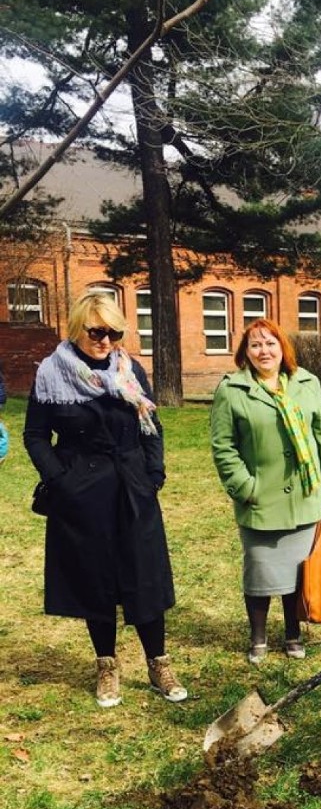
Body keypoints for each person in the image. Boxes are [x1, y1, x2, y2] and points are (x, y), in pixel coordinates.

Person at [23, 292, 186, 708]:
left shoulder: (131, 371)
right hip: (82, 489)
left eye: (114, 332)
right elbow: (36, 436)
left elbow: (152, 425)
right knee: (94, 578)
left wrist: (154, 474)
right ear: (78, 327)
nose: (105, 340)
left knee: (144, 573)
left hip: (133, 486)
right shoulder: (51, 374)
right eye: (97, 331)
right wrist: (60, 480)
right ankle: (107, 665)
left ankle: (158, 662)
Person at [210, 319, 321, 663]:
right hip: (261, 502)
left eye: (270, 344)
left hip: (304, 499)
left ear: (283, 348)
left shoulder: (307, 383)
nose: (263, 351)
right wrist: (246, 487)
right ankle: (258, 636)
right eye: (255, 345)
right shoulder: (232, 390)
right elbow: (223, 447)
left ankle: (293, 633)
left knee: (299, 573)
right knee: (261, 571)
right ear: (245, 352)